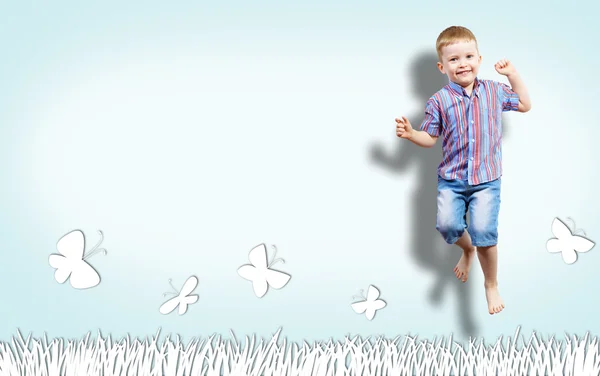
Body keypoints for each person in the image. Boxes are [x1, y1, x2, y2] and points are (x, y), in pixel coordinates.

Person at [395, 26, 531, 315]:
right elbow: (430, 138)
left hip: (486, 180)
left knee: (485, 233)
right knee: (447, 227)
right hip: (452, 180)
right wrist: (411, 134)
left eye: (468, 56)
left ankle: (490, 283)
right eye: (454, 59)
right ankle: (466, 249)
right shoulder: (438, 101)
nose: (462, 64)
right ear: (442, 66)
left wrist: (512, 75)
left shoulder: (494, 91)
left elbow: (524, 105)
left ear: (479, 59)